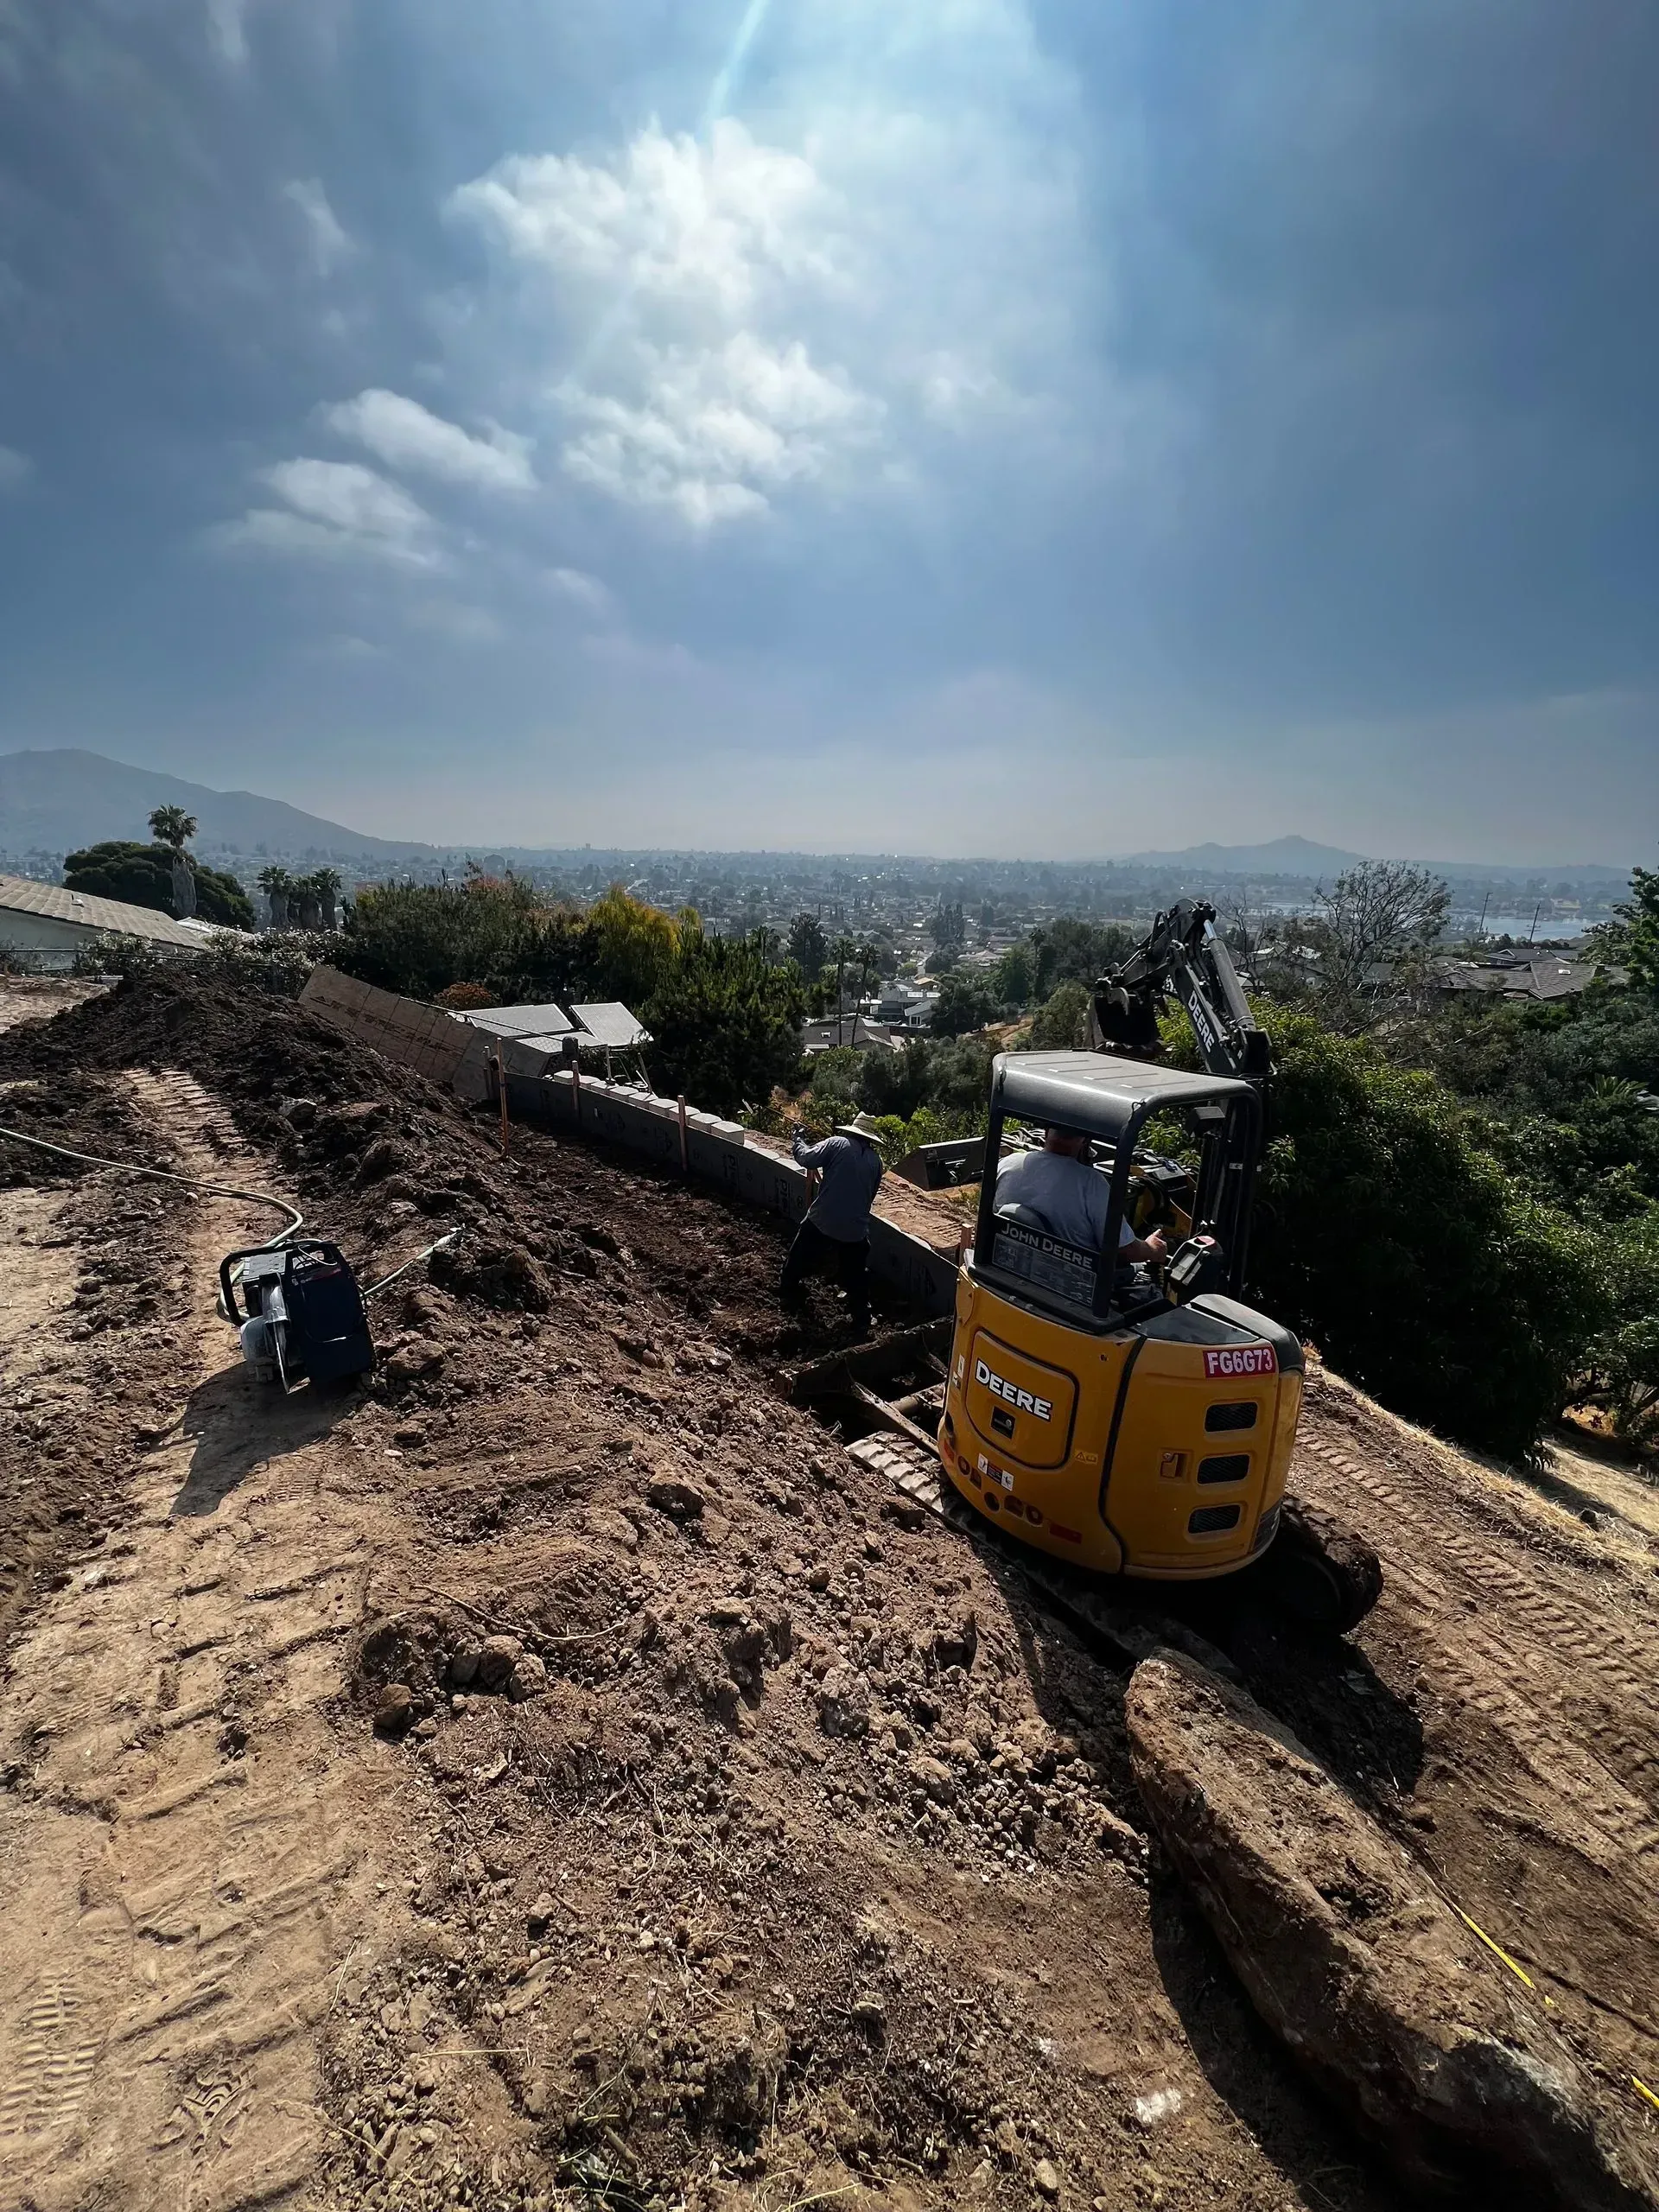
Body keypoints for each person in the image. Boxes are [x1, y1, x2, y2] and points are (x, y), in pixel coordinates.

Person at [994, 1126, 1167, 1266]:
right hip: (1068, 1281)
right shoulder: (1091, 1183)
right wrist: (1152, 1249)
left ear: (1046, 1132)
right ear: (1084, 1140)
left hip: (1008, 1261)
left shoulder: (1008, 1164)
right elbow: (1122, 1250)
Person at [782, 1112, 885, 1336]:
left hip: (823, 1219)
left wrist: (798, 1139)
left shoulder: (836, 1143)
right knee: (856, 1274)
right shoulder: (877, 1162)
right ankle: (861, 1318)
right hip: (855, 1229)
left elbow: (806, 1158)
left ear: (851, 1130)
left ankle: (788, 1289)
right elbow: (870, 1195)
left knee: (799, 1255)